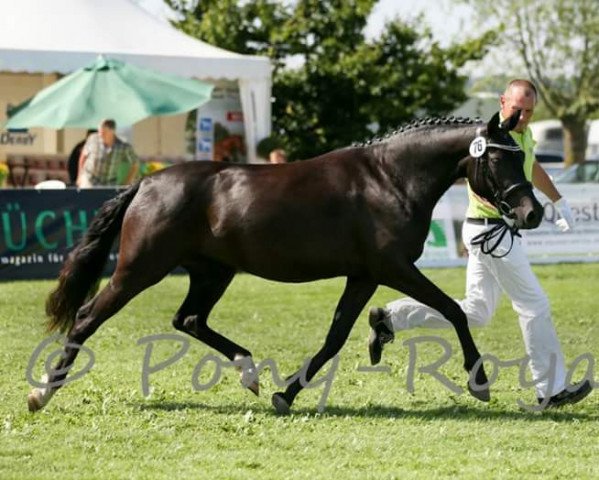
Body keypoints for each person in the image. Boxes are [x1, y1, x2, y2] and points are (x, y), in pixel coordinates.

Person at [367, 79, 592, 409]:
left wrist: (559, 200)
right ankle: (551, 389)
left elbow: (532, 166)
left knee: (477, 311)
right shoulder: (491, 138)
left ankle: (391, 318)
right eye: (518, 110)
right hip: (492, 232)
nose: (524, 117)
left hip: (486, 231)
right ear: (502, 102)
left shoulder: (521, 134)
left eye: (530, 111)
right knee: (534, 305)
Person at [77, 119, 139, 188]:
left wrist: (127, 182)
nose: (100, 135)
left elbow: (135, 164)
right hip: (89, 181)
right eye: (99, 131)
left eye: (103, 132)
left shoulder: (123, 146)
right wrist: (80, 176)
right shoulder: (93, 139)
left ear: (112, 131)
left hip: (109, 184)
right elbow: (83, 156)